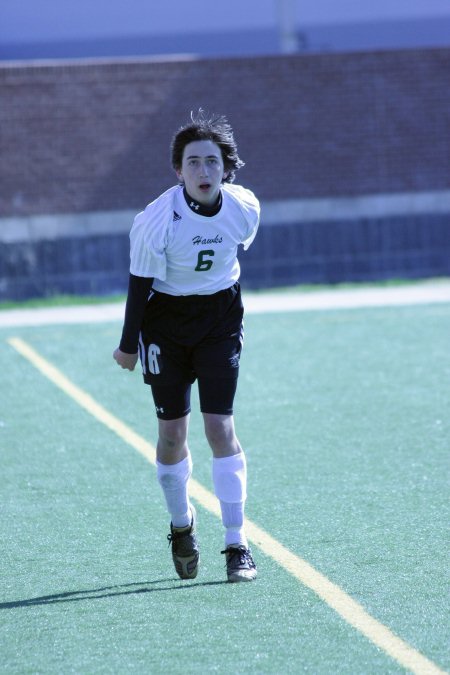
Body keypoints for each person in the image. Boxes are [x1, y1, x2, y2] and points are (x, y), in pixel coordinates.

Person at [113, 109, 260, 583]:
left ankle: (237, 544)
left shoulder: (245, 208)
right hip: (166, 326)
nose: (203, 171)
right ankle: (181, 526)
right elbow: (139, 283)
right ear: (179, 171)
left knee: (220, 427)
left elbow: (230, 259)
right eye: (193, 163)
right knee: (173, 435)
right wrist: (128, 345)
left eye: (212, 162)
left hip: (219, 320)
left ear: (226, 169)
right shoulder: (157, 220)